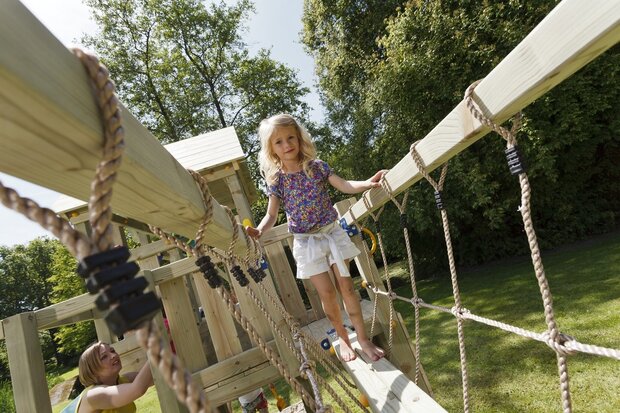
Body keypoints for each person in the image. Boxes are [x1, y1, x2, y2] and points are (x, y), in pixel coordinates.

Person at [246, 113, 385, 362]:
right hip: (306, 242)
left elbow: (343, 185)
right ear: (271, 148)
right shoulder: (277, 180)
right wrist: (259, 230)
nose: (287, 144)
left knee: (347, 288)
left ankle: (363, 339)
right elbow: (271, 214)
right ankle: (344, 338)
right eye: (279, 142)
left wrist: (366, 183)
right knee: (327, 294)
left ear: (299, 138)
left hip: (332, 233)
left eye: (291, 138)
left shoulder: (316, 166)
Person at [61, 341, 154, 413]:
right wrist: (156, 349)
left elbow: (156, 377)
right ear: (92, 370)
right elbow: (137, 390)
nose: (113, 355)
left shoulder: (125, 380)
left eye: (112, 350)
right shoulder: (94, 394)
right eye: (104, 357)